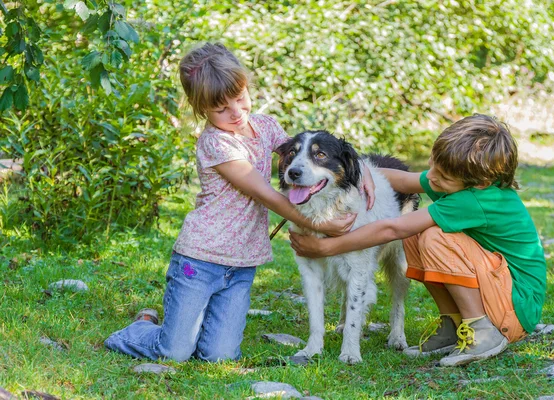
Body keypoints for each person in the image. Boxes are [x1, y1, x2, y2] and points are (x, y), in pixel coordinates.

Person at [104, 42, 375, 362]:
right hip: (199, 260)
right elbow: (267, 194)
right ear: (200, 108)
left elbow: (301, 161)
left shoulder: (265, 126)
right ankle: (139, 330)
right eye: (221, 108)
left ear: (247, 86)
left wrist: (363, 171)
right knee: (174, 352)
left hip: (241, 265)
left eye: (240, 98)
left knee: (218, 356)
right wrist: (320, 224)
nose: (236, 112)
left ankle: (190, 327)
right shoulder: (216, 143)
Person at [289, 114, 547, 366]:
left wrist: (326, 246)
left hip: (514, 306)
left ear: (481, 182)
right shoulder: (462, 181)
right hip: (499, 289)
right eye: (433, 165)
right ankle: (454, 324)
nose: (432, 177)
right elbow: (404, 179)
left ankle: (482, 330)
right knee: (418, 234)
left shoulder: (476, 199)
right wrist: (362, 171)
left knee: (431, 235)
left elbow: (391, 229)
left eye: (443, 177)